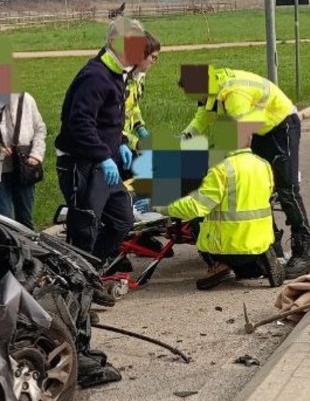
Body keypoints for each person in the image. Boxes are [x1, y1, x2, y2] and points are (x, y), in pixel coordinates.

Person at [180, 65, 310, 277]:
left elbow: (239, 134)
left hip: (281, 126)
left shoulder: (234, 94)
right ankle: (270, 248)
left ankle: (303, 255)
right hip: (260, 128)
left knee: (287, 189)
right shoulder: (211, 89)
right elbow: (202, 119)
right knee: (255, 189)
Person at [55, 18, 144, 274]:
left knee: (122, 220)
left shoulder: (117, 75)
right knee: (85, 226)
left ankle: (92, 270)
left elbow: (111, 120)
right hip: (80, 163)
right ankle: (76, 285)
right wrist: (103, 155)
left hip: (104, 163)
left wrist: (122, 143)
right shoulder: (95, 76)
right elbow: (79, 123)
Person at [160, 141, 283, 290]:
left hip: (227, 248)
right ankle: (261, 259)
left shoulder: (221, 169)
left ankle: (218, 264)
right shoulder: (263, 165)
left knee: (196, 223)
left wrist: (163, 206)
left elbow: (196, 206)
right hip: (260, 242)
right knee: (248, 262)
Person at [0, 92, 46, 229]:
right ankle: (8, 249)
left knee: (25, 220)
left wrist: (36, 154)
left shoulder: (26, 99)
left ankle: (29, 248)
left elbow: (40, 129)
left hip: (24, 168)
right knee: (3, 221)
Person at [122, 31, 162, 169]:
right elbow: (108, 124)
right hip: (110, 145)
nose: (154, 62)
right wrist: (137, 144)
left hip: (124, 142)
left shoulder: (139, 77)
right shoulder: (120, 80)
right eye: (153, 57)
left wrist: (140, 128)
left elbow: (133, 106)